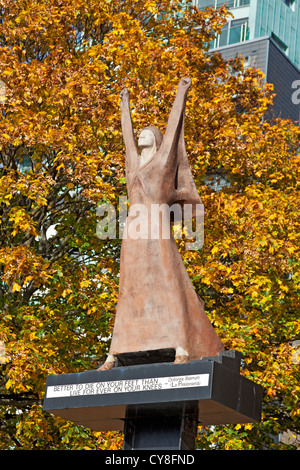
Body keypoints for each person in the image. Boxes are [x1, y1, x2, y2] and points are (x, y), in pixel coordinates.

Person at [98, 78, 224, 371]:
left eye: (146, 133)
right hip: (133, 232)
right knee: (129, 290)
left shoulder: (163, 162)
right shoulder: (133, 164)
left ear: (154, 140)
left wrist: (181, 91)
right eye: (140, 133)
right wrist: (124, 103)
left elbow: (173, 129)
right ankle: (113, 354)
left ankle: (181, 346)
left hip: (156, 228)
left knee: (169, 284)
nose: (140, 136)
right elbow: (126, 137)